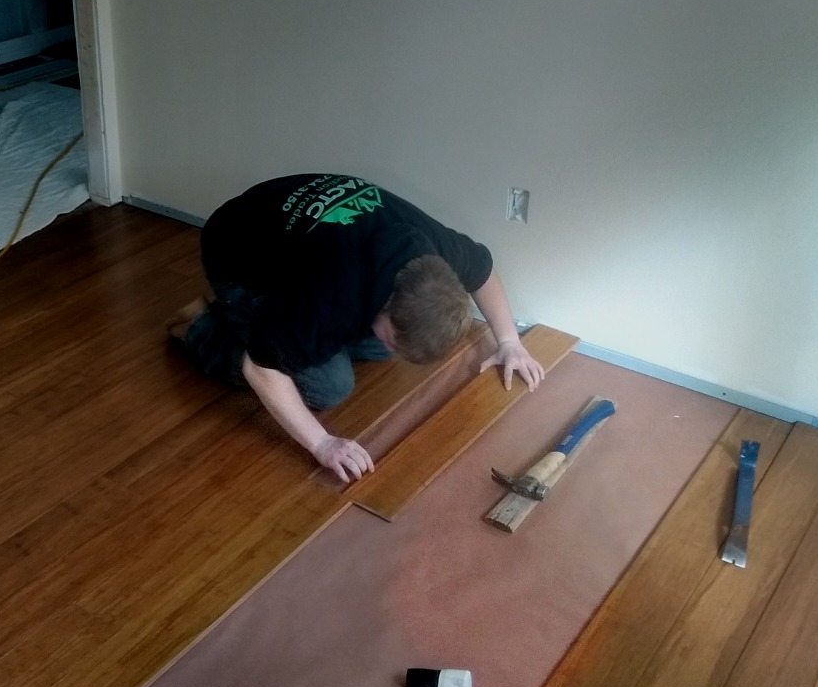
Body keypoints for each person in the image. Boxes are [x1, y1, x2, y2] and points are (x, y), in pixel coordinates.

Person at [166, 173, 545, 483]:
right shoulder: (335, 295)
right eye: (395, 338)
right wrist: (322, 444)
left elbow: (484, 272)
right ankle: (200, 327)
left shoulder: (437, 251)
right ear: (387, 303)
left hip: (286, 226)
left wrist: (509, 342)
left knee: (376, 348)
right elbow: (260, 368)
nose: (394, 350)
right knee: (329, 386)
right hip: (236, 252)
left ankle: (299, 332)